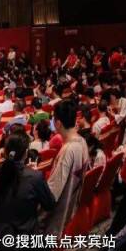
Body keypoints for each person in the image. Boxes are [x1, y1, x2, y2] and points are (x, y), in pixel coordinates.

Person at [0, 134, 55, 251]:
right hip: (25, 246)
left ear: (4, 152)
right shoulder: (35, 178)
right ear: (26, 154)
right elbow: (50, 204)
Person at [46, 100, 89, 237]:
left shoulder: (68, 150)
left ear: (58, 123)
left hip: (59, 215)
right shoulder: (82, 141)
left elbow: (52, 193)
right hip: (72, 205)